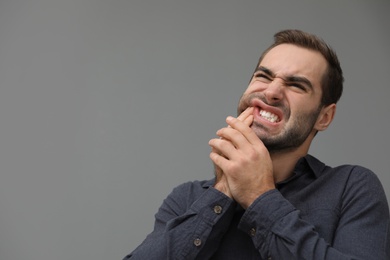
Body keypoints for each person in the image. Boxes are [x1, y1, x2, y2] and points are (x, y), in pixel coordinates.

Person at [123, 29, 390, 259]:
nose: (271, 92)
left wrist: (259, 196)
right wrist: (223, 192)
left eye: (296, 85)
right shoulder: (187, 199)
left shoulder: (352, 189)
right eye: (263, 76)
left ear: (324, 117)